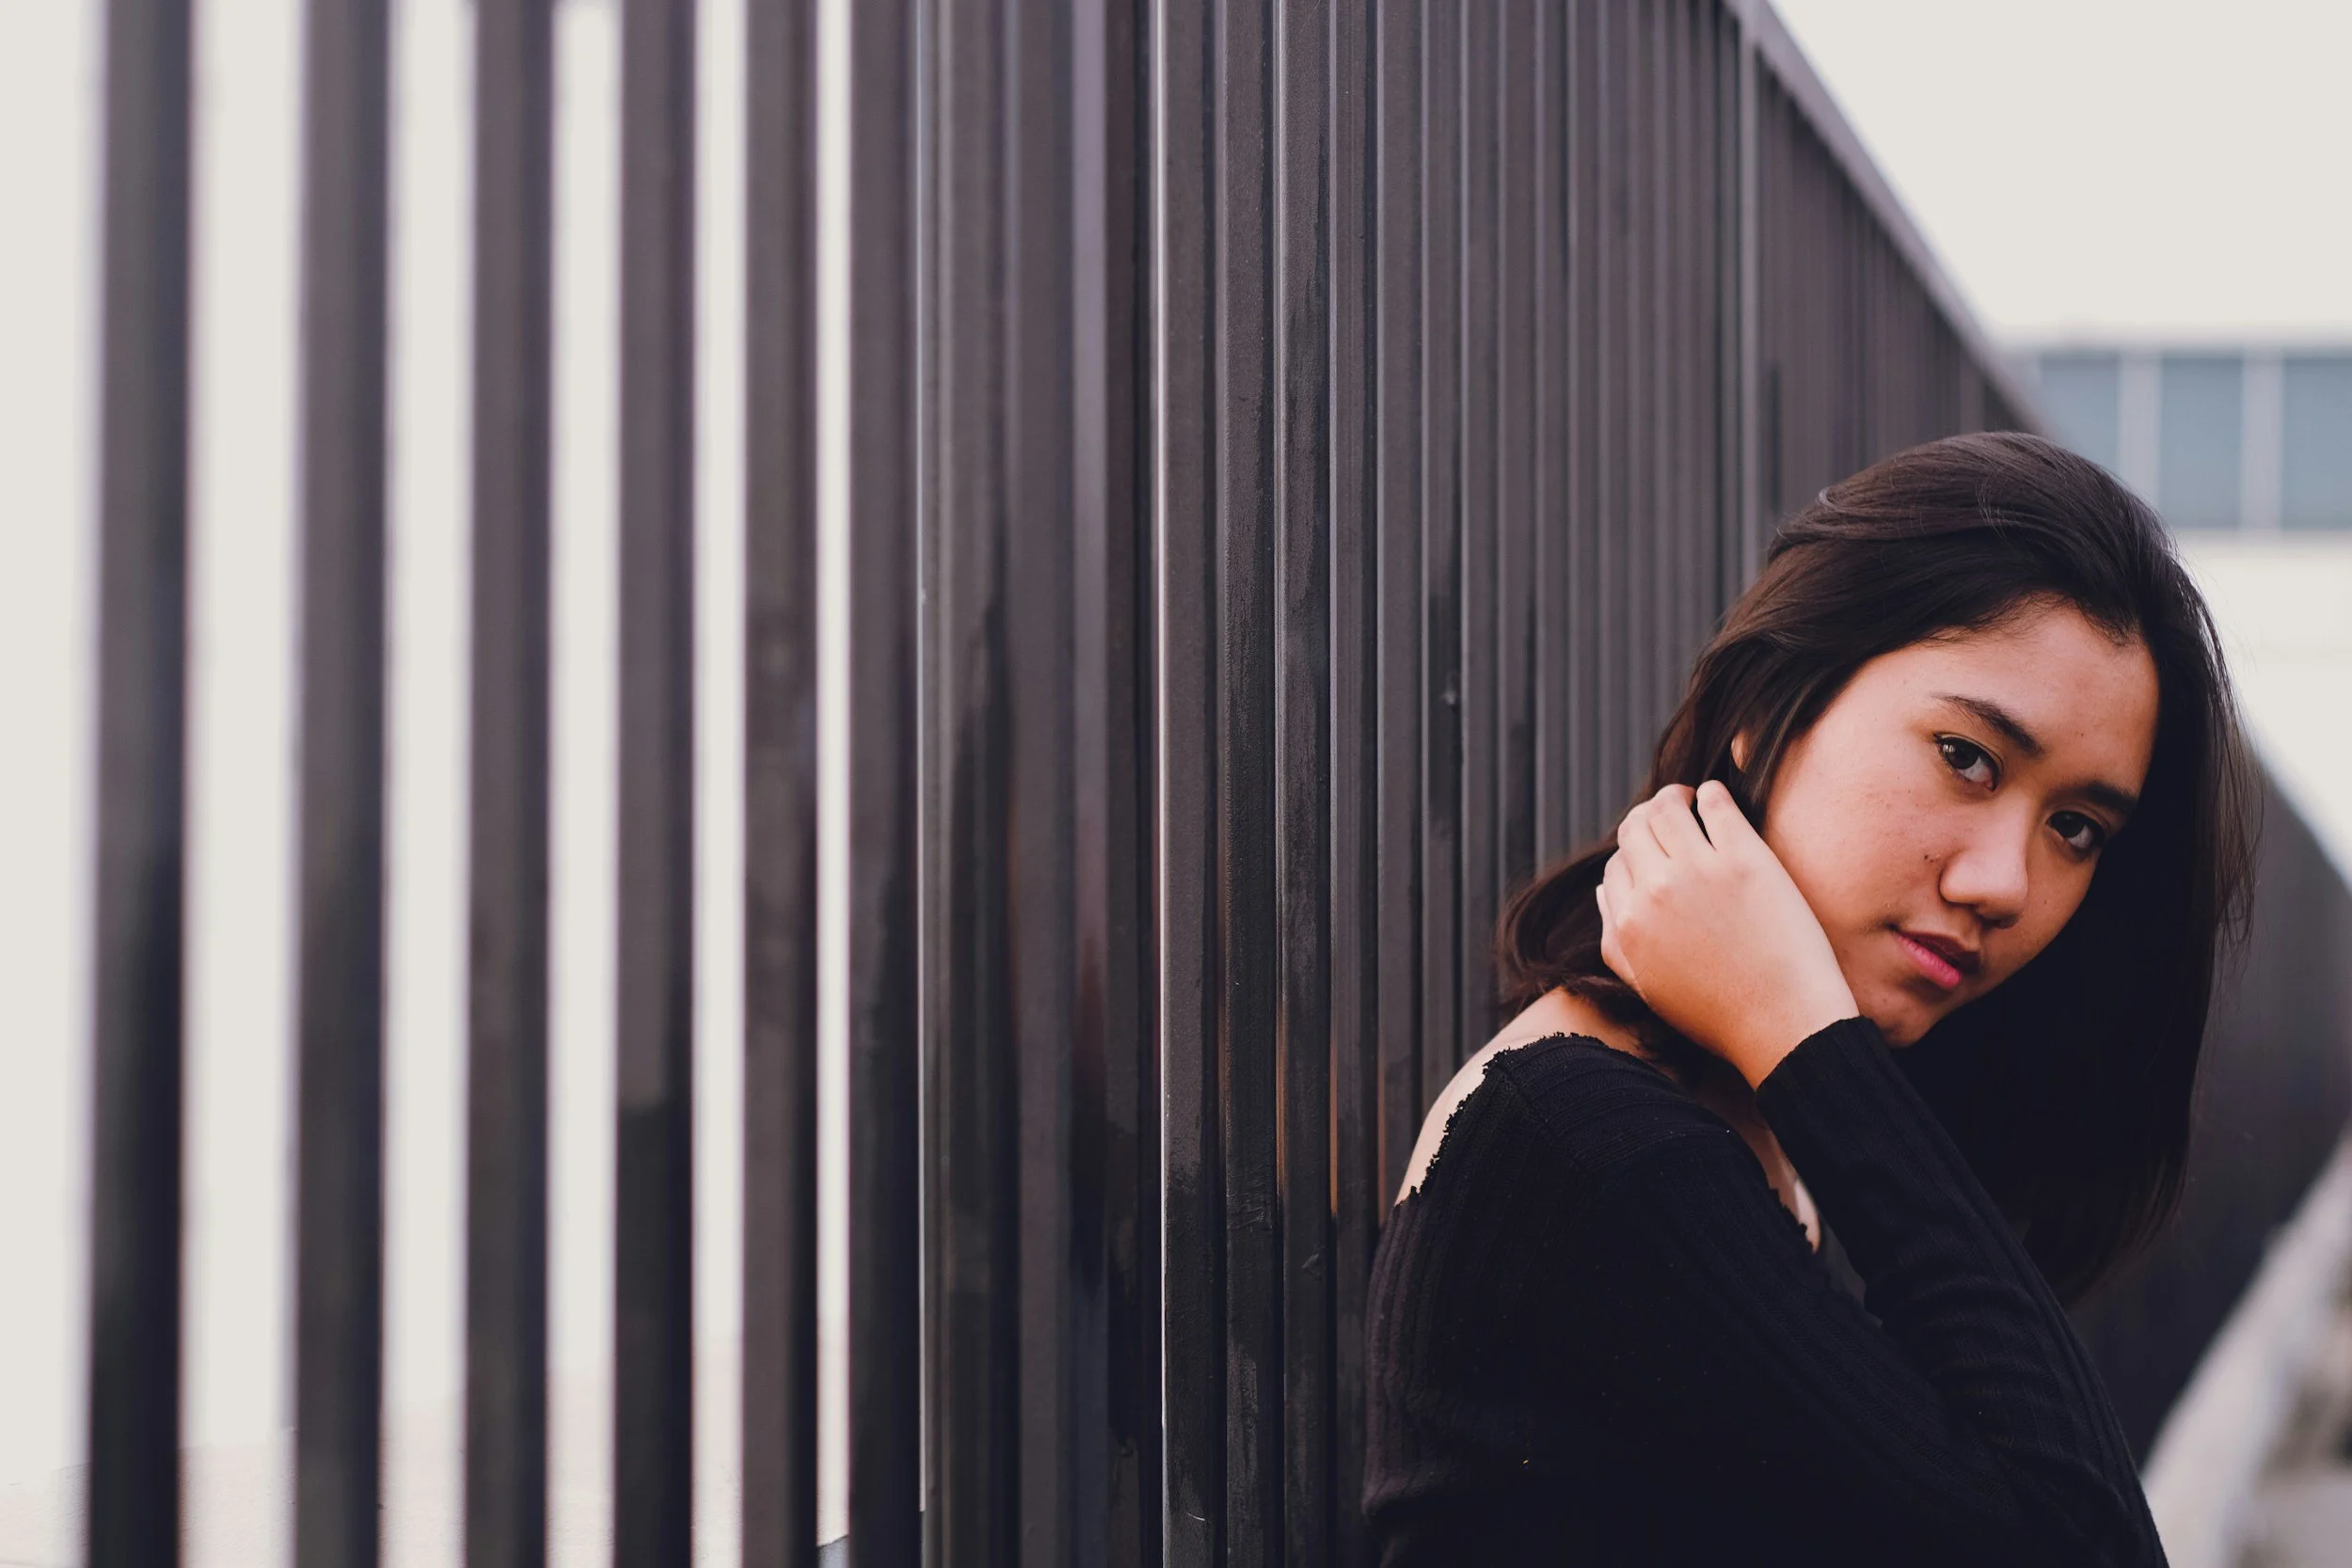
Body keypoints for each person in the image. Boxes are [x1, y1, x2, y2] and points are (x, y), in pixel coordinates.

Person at [1361, 431, 2256, 1566]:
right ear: (1766, 703)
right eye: (1966, 755)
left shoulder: (1749, 1129)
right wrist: (1803, 1036)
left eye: (2073, 827)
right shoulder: (1590, 1143)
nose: (2003, 882)